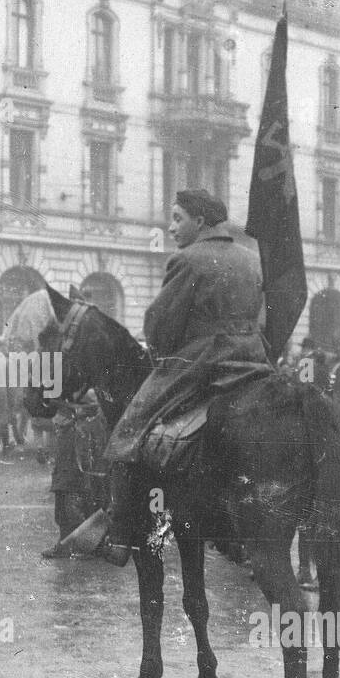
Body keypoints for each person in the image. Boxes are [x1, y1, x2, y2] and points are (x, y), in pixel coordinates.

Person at [64, 189, 270, 567]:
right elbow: (262, 317)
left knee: (128, 429)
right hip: (255, 361)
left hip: (203, 363)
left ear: (201, 222)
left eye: (177, 218)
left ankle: (121, 535)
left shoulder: (187, 260)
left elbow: (158, 327)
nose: (171, 227)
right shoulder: (252, 258)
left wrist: (166, 352)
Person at [40, 390, 110, 558]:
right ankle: (64, 546)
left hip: (78, 479)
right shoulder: (69, 426)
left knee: (77, 514)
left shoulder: (87, 426)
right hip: (64, 477)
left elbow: (89, 456)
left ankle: (90, 548)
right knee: (63, 514)